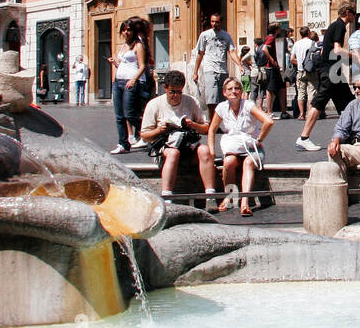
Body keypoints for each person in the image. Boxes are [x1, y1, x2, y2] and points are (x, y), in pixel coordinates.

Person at [140, 70, 218, 203]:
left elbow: (205, 128)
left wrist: (192, 124)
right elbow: (145, 135)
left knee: (204, 150)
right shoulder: (154, 104)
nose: (176, 96)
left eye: (179, 92)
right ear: (165, 88)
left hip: (188, 145)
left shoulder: (191, 101)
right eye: (172, 92)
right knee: (173, 153)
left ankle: (210, 195)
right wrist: (159, 130)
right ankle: (167, 196)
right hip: (166, 147)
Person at [207, 76, 274, 215]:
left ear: (241, 91)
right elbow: (212, 129)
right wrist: (212, 152)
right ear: (224, 92)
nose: (234, 91)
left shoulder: (248, 105)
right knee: (228, 162)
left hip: (251, 148)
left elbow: (268, 121)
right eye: (230, 89)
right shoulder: (221, 108)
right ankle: (230, 197)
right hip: (233, 149)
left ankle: (244, 202)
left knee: (248, 163)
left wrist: (259, 139)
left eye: (237, 88)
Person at [297, 4, 356, 151]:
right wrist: (354, 56)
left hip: (332, 70)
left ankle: (349, 135)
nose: (354, 17)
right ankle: (304, 137)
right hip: (330, 71)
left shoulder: (333, 26)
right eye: (353, 14)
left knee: (347, 102)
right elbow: (337, 50)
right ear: (348, 13)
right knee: (319, 103)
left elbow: (326, 49)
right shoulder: (340, 26)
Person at [108, 17, 151, 153]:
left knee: (129, 114)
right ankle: (123, 144)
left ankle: (149, 133)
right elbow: (124, 65)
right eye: (124, 30)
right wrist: (115, 64)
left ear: (133, 32)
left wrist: (133, 80)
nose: (126, 33)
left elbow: (142, 65)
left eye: (129, 30)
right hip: (118, 82)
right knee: (119, 115)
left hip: (130, 82)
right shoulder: (123, 46)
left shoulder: (138, 45)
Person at [192, 14, 243, 118]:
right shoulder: (204, 35)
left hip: (223, 70)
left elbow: (232, 52)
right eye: (212, 21)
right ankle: (212, 122)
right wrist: (195, 72)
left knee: (223, 98)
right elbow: (200, 54)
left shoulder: (226, 36)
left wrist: (240, 65)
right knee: (211, 98)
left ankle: (222, 121)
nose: (214, 24)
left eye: (217, 22)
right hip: (210, 69)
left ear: (221, 22)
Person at [291, 27, 318, 121]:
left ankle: (301, 114)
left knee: (301, 93)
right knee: (312, 92)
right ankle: (309, 114)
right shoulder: (313, 43)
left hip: (300, 71)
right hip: (311, 71)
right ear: (309, 32)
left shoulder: (296, 44)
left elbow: (291, 58)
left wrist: (300, 64)